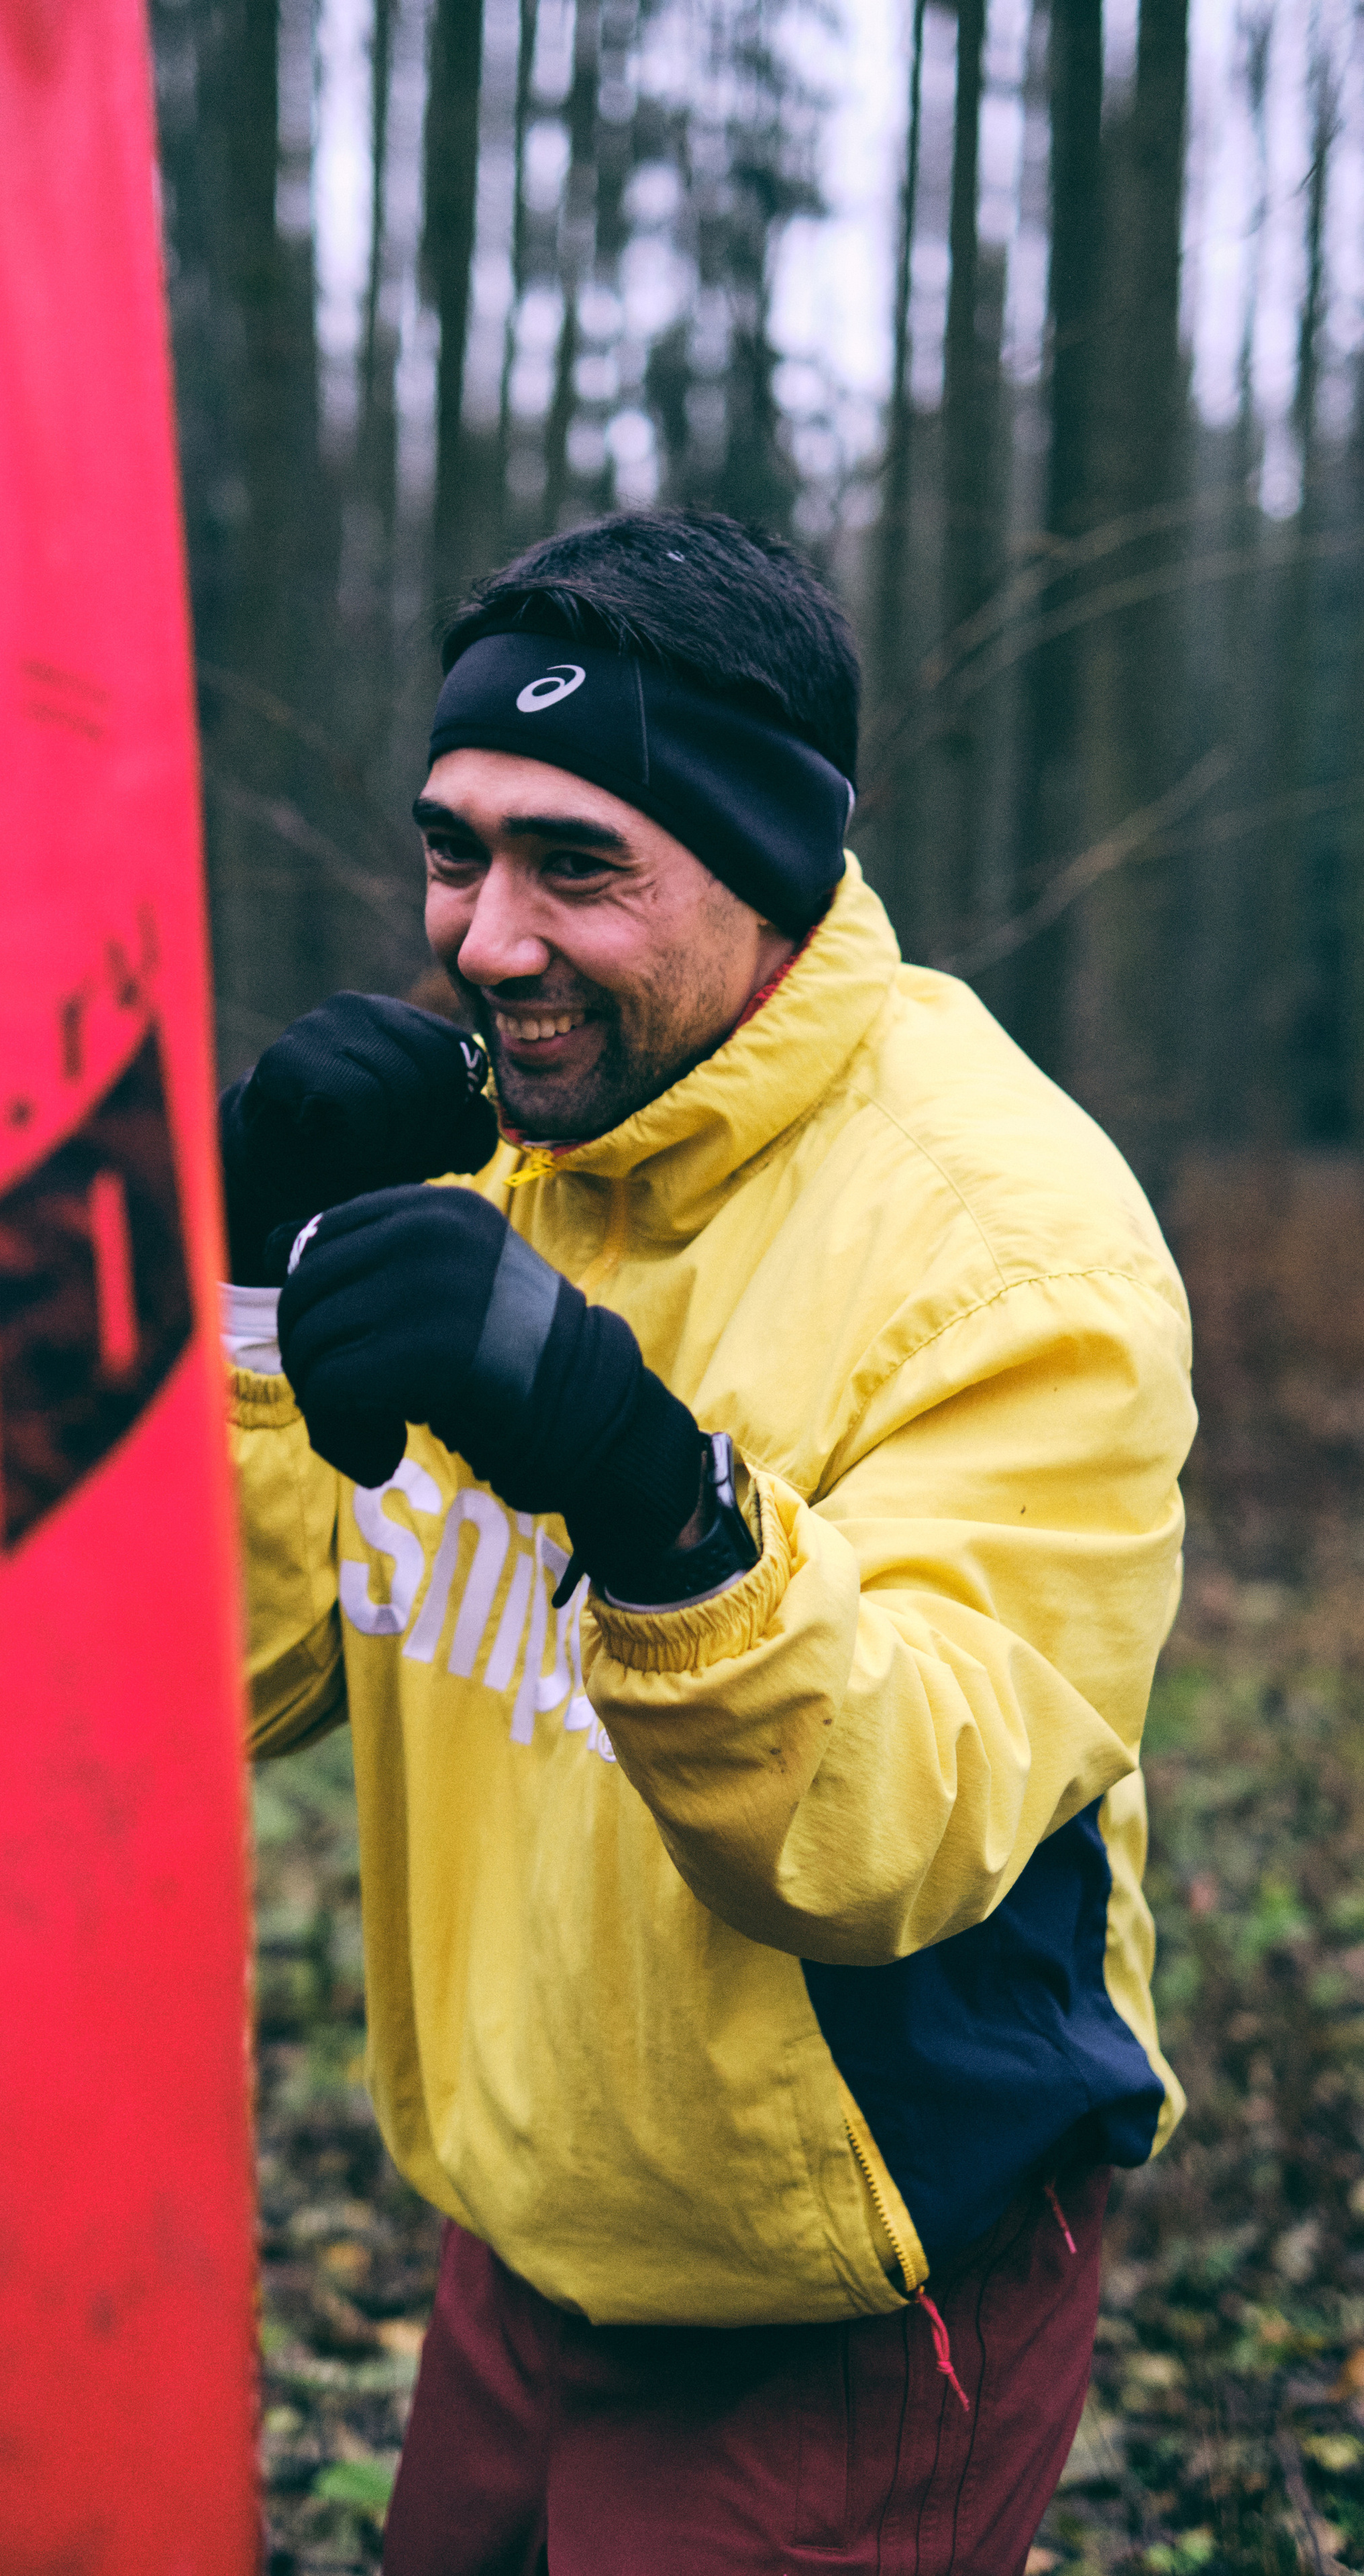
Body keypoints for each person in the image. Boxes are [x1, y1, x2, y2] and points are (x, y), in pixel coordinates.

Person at [221, 510, 1194, 2575]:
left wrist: (641, 1480)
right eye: (458, 848)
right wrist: (246, 1296)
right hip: (531, 2231)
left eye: (580, 865)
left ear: (761, 877)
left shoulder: (1015, 1247)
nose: (488, 939)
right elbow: (231, 1688)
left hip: (837, 2292)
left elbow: (899, 1828)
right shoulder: (495, 1143)